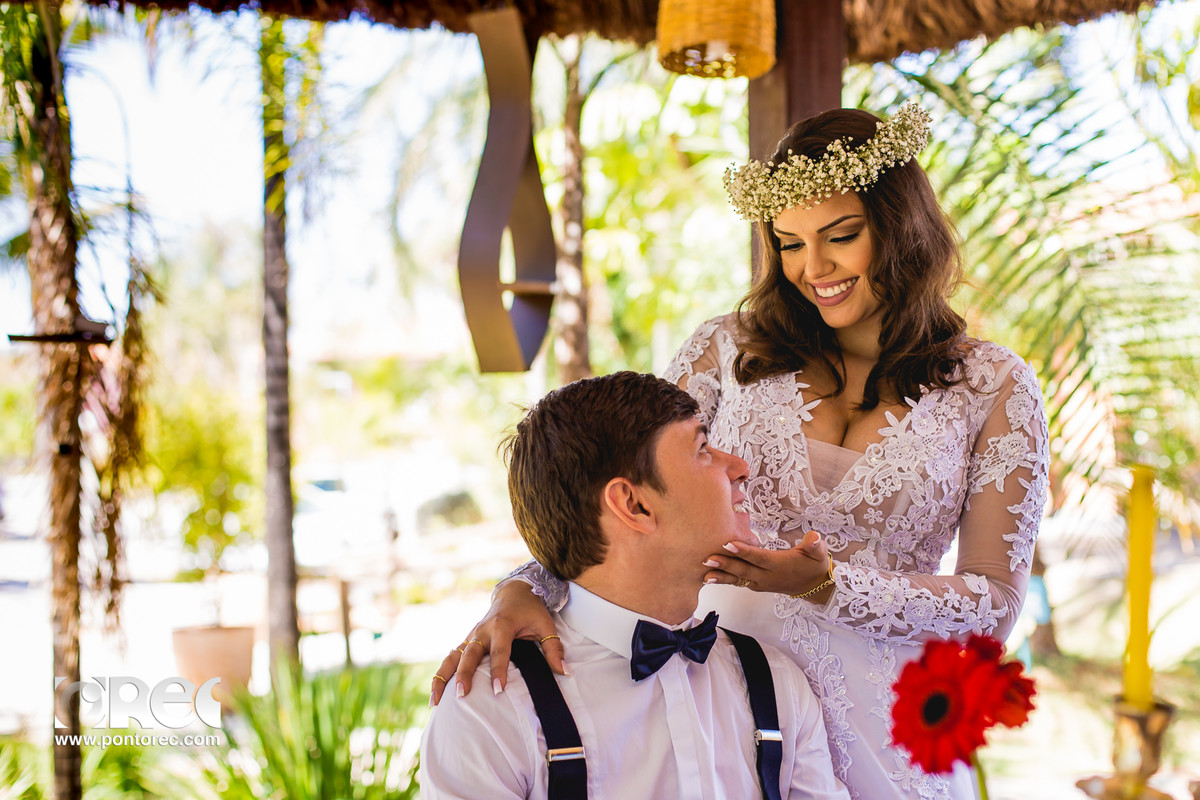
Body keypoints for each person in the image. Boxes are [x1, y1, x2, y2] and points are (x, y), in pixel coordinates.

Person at [434, 102, 1051, 800]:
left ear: (900, 226)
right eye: (787, 243)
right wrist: (522, 587)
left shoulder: (993, 386)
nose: (811, 267)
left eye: (839, 236)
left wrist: (826, 585)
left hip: (890, 729)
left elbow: (993, 606)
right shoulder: (726, 350)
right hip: (715, 700)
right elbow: (629, 490)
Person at [419, 371, 850, 799]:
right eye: (703, 449)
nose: (739, 467)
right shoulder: (489, 713)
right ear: (634, 504)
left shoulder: (776, 684)